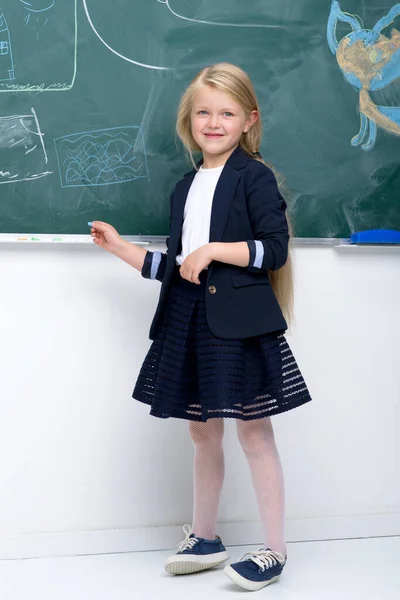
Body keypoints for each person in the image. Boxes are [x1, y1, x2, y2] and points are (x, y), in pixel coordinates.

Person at [89, 62, 312, 592]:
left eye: (227, 113)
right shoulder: (186, 185)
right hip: (188, 320)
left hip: (238, 324)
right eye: (203, 112)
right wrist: (122, 249)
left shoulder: (253, 177)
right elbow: (178, 269)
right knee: (201, 431)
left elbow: (273, 250)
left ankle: (275, 551)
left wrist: (213, 250)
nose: (214, 122)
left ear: (248, 120)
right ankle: (207, 538)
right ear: (189, 119)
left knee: (255, 431)